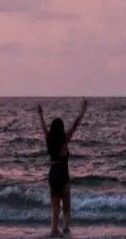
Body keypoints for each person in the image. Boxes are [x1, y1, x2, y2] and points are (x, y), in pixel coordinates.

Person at [38, 99, 88, 236]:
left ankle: (54, 229)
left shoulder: (49, 140)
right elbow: (74, 126)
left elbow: (43, 128)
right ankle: (65, 227)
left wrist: (40, 115)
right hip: (63, 173)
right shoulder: (64, 141)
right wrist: (82, 111)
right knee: (66, 204)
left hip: (53, 173)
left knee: (55, 206)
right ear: (61, 129)